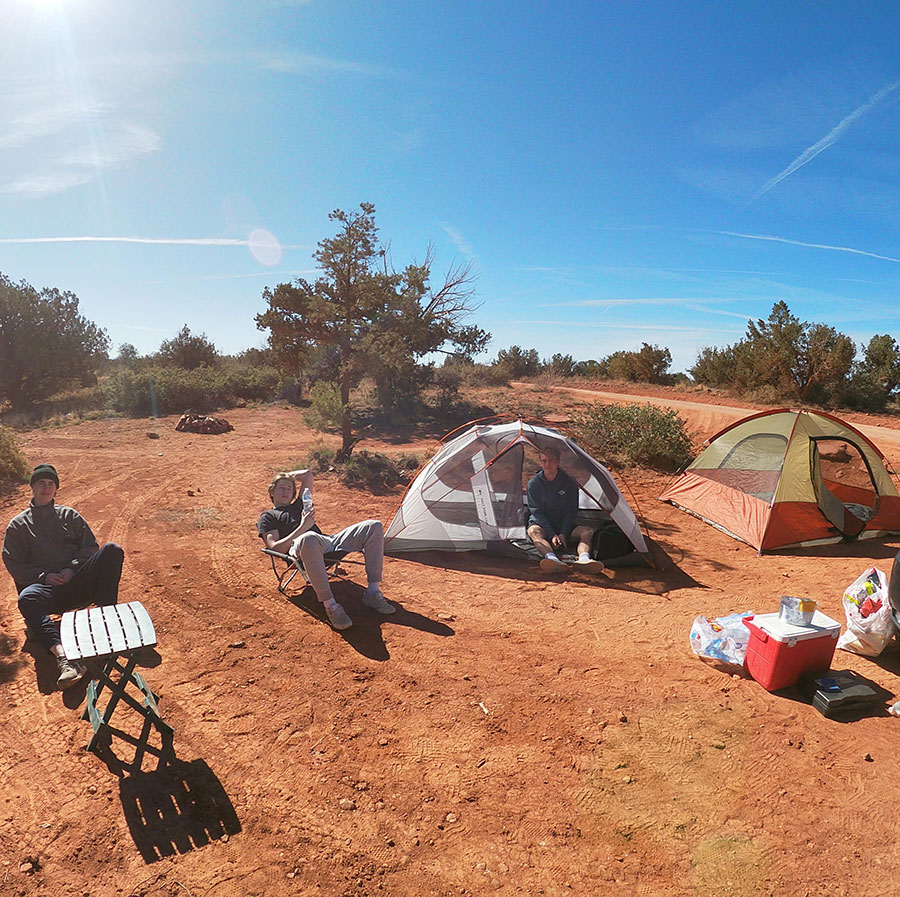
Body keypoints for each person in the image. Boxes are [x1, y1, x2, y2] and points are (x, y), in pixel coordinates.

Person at [2, 464, 125, 689]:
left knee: (112, 550)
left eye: (51, 484)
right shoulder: (18, 526)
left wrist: (72, 568)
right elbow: (14, 564)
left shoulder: (69, 516)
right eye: (41, 483)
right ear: (32, 487)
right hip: (48, 590)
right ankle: (65, 658)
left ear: (56, 489)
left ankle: (107, 628)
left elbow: (90, 547)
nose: (46, 488)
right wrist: (44, 576)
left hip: (77, 581)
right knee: (26, 599)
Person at [257, 469, 395, 630]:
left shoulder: (300, 503)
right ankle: (331, 605)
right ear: (271, 491)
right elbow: (275, 547)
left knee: (374, 526)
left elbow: (308, 475)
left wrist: (285, 476)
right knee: (308, 537)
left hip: (327, 542)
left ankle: (373, 592)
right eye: (281, 487)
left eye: (289, 488)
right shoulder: (268, 516)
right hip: (300, 549)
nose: (286, 491)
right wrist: (303, 528)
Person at [526, 447, 605, 574]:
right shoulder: (534, 484)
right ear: (540, 462)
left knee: (587, 531)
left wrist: (563, 532)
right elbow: (536, 512)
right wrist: (552, 534)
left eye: (551, 461)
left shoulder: (568, 482)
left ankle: (584, 559)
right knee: (533, 531)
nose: (547, 464)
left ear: (557, 461)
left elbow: (571, 510)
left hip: (563, 525)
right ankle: (552, 560)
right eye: (544, 461)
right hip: (543, 525)